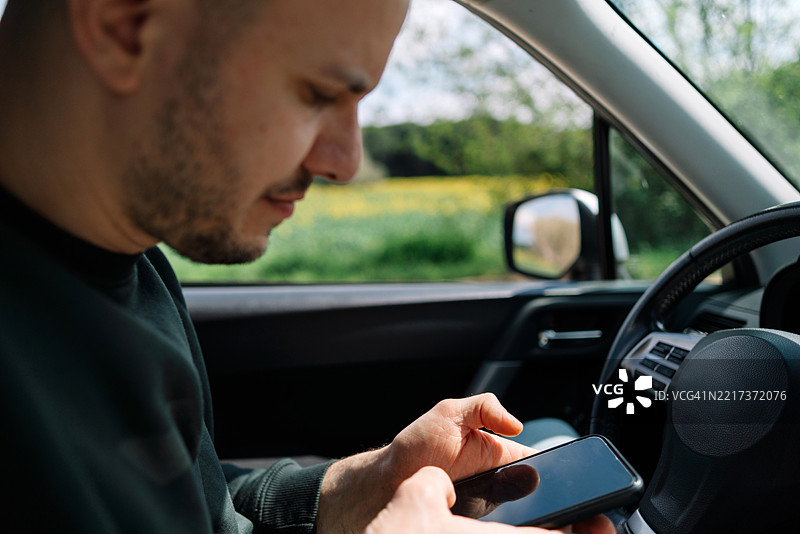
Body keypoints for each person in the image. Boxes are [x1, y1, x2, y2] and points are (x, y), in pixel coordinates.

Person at [0, 1, 615, 533]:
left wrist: (377, 481)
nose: (346, 162)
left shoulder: (136, 264)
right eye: (319, 94)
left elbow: (205, 512)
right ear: (123, 26)